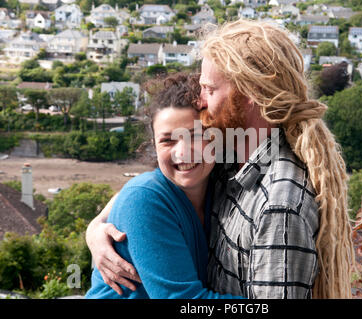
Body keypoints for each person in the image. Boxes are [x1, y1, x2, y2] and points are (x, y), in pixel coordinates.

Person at [86, 19, 355, 299]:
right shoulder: (228, 159)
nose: (200, 101)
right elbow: (141, 195)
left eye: (210, 90)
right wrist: (95, 230)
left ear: (251, 94)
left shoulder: (278, 203)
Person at [84, 73, 243, 299]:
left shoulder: (222, 184)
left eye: (195, 136)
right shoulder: (144, 199)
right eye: (168, 140)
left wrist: (95, 225)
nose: (182, 151)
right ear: (154, 146)